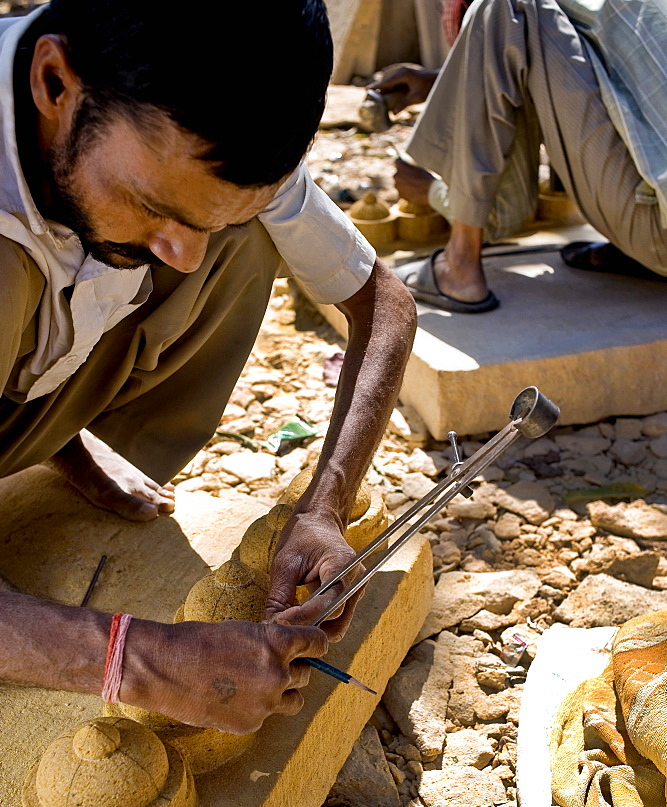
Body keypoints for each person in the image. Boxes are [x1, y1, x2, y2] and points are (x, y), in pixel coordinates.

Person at [0, 0, 417, 735]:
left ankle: (56, 431)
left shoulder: (197, 133)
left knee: (241, 232)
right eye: (148, 203)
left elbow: (380, 304)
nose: (185, 259)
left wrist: (321, 507)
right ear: (55, 83)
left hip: (28, 379)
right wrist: (142, 660)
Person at [377, 0, 667, 313]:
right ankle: (636, 252)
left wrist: (433, 192)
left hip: (658, 238)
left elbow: (505, 215)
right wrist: (444, 81)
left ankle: (459, 264)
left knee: (505, 6)